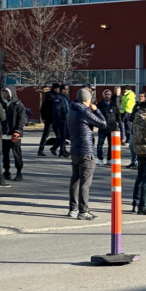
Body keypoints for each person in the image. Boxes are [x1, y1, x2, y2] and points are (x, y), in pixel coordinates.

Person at [65, 88, 107, 220]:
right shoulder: (84, 111)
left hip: (75, 149)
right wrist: (96, 110)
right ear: (87, 100)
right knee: (85, 182)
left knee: (75, 179)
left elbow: (66, 132)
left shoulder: (71, 111)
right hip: (86, 150)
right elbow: (103, 123)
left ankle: (73, 208)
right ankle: (83, 211)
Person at [1, 85, 27, 181]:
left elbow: (22, 120)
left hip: (15, 135)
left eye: (7, 92)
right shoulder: (1, 104)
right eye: (4, 92)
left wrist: (17, 131)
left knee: (17, 154)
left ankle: (19, 172)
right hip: (4, 135)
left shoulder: (19, 105)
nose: (5, 94)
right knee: (5, 154)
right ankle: (6, 171)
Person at [96, 88, 121, 165]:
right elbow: (96, 116)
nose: (107, 96)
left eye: (109, 94)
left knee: (111, 145)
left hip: (112, 129)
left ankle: (109, 158)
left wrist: (118, 122)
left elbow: (118, 114)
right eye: (106, 94)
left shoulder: (113, 104)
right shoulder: (100, 105)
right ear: (103, 95)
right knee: (100, 144)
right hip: (103, 128)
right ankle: (100, 159)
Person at [127, 92, 146, 169]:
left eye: (142, 97)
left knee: (140, 147)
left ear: (145, 97)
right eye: (139, 96)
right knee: (131, 145)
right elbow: (133, 115)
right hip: (134, 129)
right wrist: (130, 117)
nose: (140, 98)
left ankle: (140, 162)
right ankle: (133, 161)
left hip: (141, 130)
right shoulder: (136, 105)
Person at [51, 84, 71, 157]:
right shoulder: (58, 98)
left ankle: (61, 151)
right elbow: (57, 110)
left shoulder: (64, 97)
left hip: (66, 119)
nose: (68, 90)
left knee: (64, 135)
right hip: (61, 120)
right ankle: (54, 148)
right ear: (63, 90)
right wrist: (60, 119)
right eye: (66, 89)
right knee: (63, 135)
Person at [37, 84, 57, 156]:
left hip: (54, 119)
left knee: (59, 135)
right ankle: (40, 150)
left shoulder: (56, 96)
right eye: (57, 88)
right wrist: (43, 118)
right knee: (45, 135)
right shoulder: (50, 97)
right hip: (49, 119)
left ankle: (60, 150)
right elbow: (42, 109)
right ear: (55, 89)